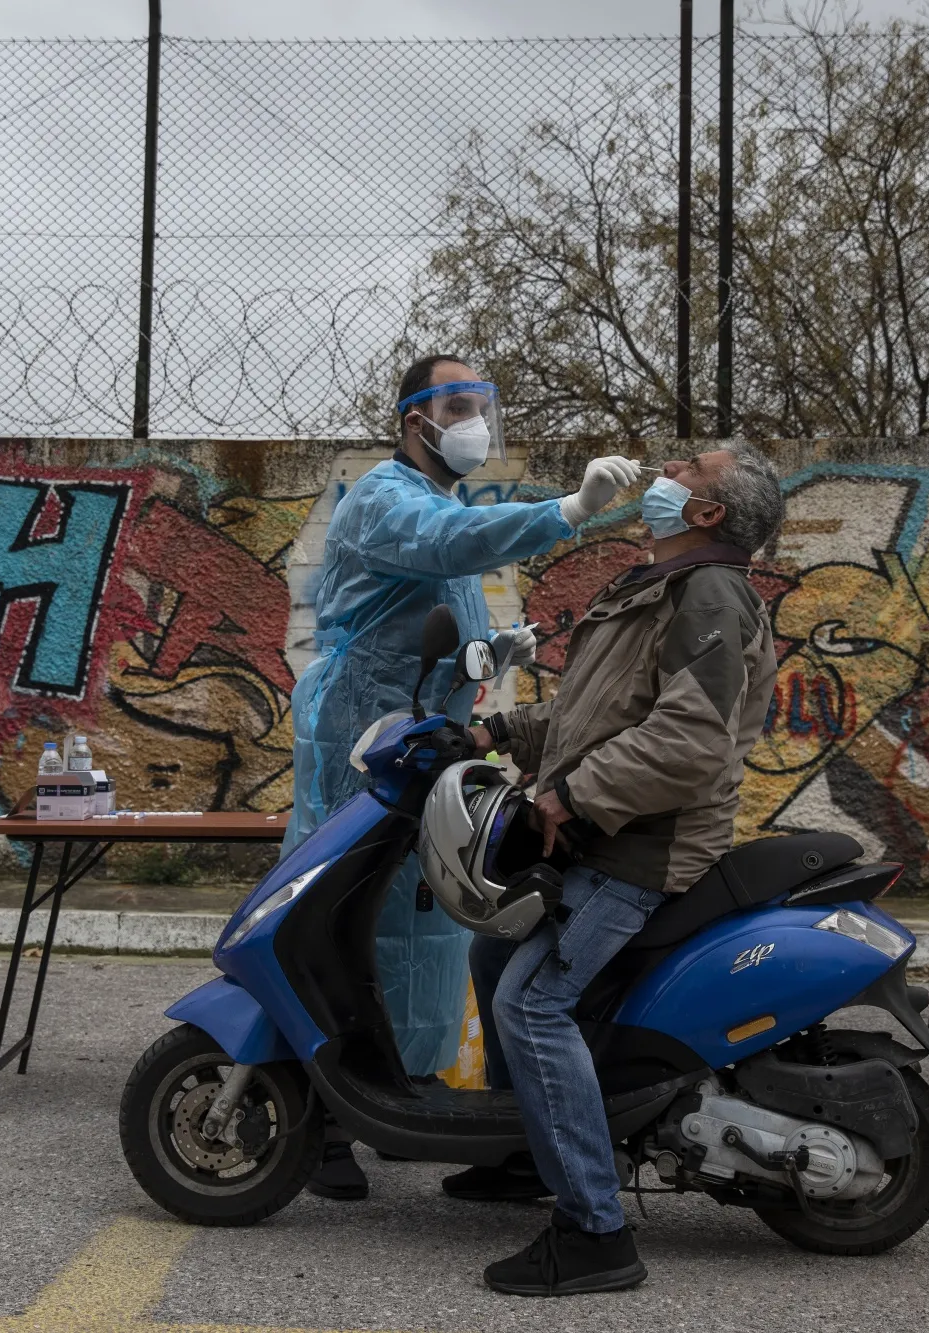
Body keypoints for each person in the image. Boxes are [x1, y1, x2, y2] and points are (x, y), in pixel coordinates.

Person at [285, 353, 639, 1200]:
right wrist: (569, 510)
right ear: (416, 419)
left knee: (420, 919)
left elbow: (432, 614)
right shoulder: (385, 497)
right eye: (459, 403)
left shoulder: (434, 500)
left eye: (484, 402)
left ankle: (402, 1078)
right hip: (363, 739)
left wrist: (493, 653)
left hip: (422, 739)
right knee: (338, 915)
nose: (476, 418)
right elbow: (447, 544)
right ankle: (314, 1111)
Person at [452, 446, 784, 1296]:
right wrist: (496, 734)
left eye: (687, 468)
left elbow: (690, 739)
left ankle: (595, 1231)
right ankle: (529, 1149)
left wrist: (570, 798)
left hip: (641, 844)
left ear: (707, 513)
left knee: (532, 1002)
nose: (664, 473)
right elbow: (594, 712)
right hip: (610, 827)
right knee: (494, 956)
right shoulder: (660, 585)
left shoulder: (709, 592)